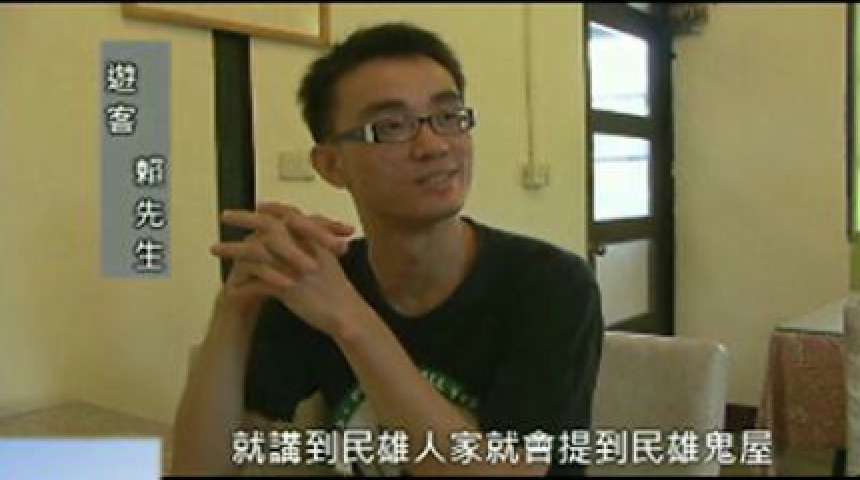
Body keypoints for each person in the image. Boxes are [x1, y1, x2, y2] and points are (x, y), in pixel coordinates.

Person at [170, 22, 604, 476]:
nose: (434, 145)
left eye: (448, 116)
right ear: (332, 164)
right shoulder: (319, 283)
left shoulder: (549, 284)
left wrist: (350, 320)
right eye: (391, 127)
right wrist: (236, 307)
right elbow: (201, 470)